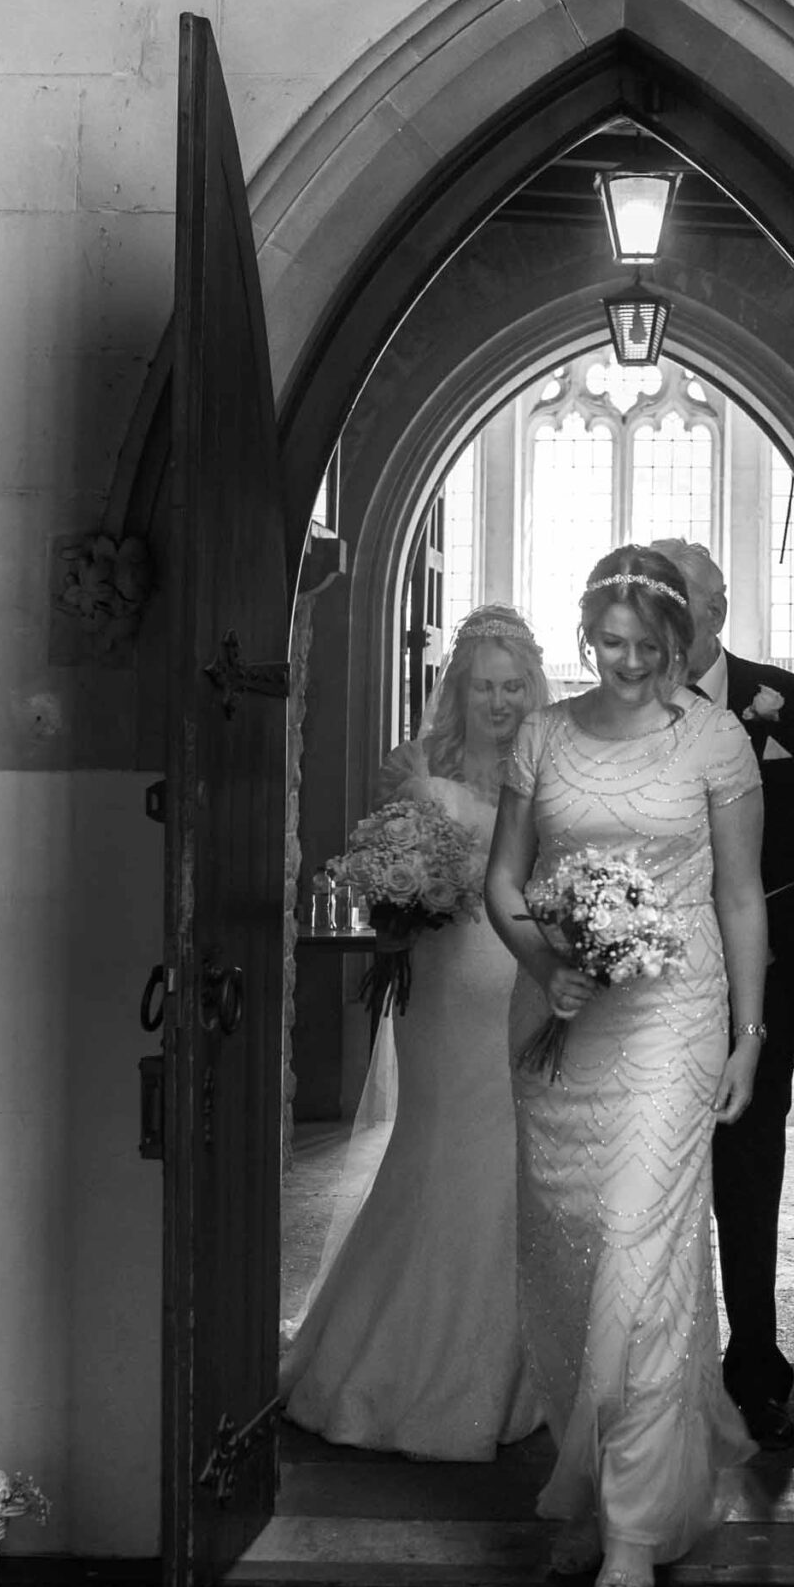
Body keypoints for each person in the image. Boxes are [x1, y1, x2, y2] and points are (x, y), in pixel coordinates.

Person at [484, 544, 767, 1587]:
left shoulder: (715, 740)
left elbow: (741, 897)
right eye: (611, 646)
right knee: (573, 1258)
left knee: (643, 1255)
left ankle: (634, 1530)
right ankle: (595, 1475)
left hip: (675, 1014)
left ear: (681, 647)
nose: (630, 666)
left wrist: (746, 1036)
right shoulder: (544, 735)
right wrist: (545, 961)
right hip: (562, 1016)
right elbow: (503, 882)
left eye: (651, 650)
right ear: (585, 639)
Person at [280, 607, 548, 1460]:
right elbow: (387, 884)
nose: (500, 702)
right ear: (458, 690)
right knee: (436, 1154)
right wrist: (406, 899)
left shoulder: (544, 770)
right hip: (444, 996)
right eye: (484, 686)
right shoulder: (417, 774)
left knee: (511, 1163)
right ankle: (392, 1363)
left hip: (520, 987)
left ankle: (503, 1369)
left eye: (513, 686)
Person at [648, 537, 794, 1452]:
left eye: (679, 600)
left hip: (753, 986)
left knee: (750, 1183)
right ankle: (651, 1378)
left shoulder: (787, 700)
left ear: (716, 611)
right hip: (649, 986)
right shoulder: (626, 706)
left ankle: (756, 1373)